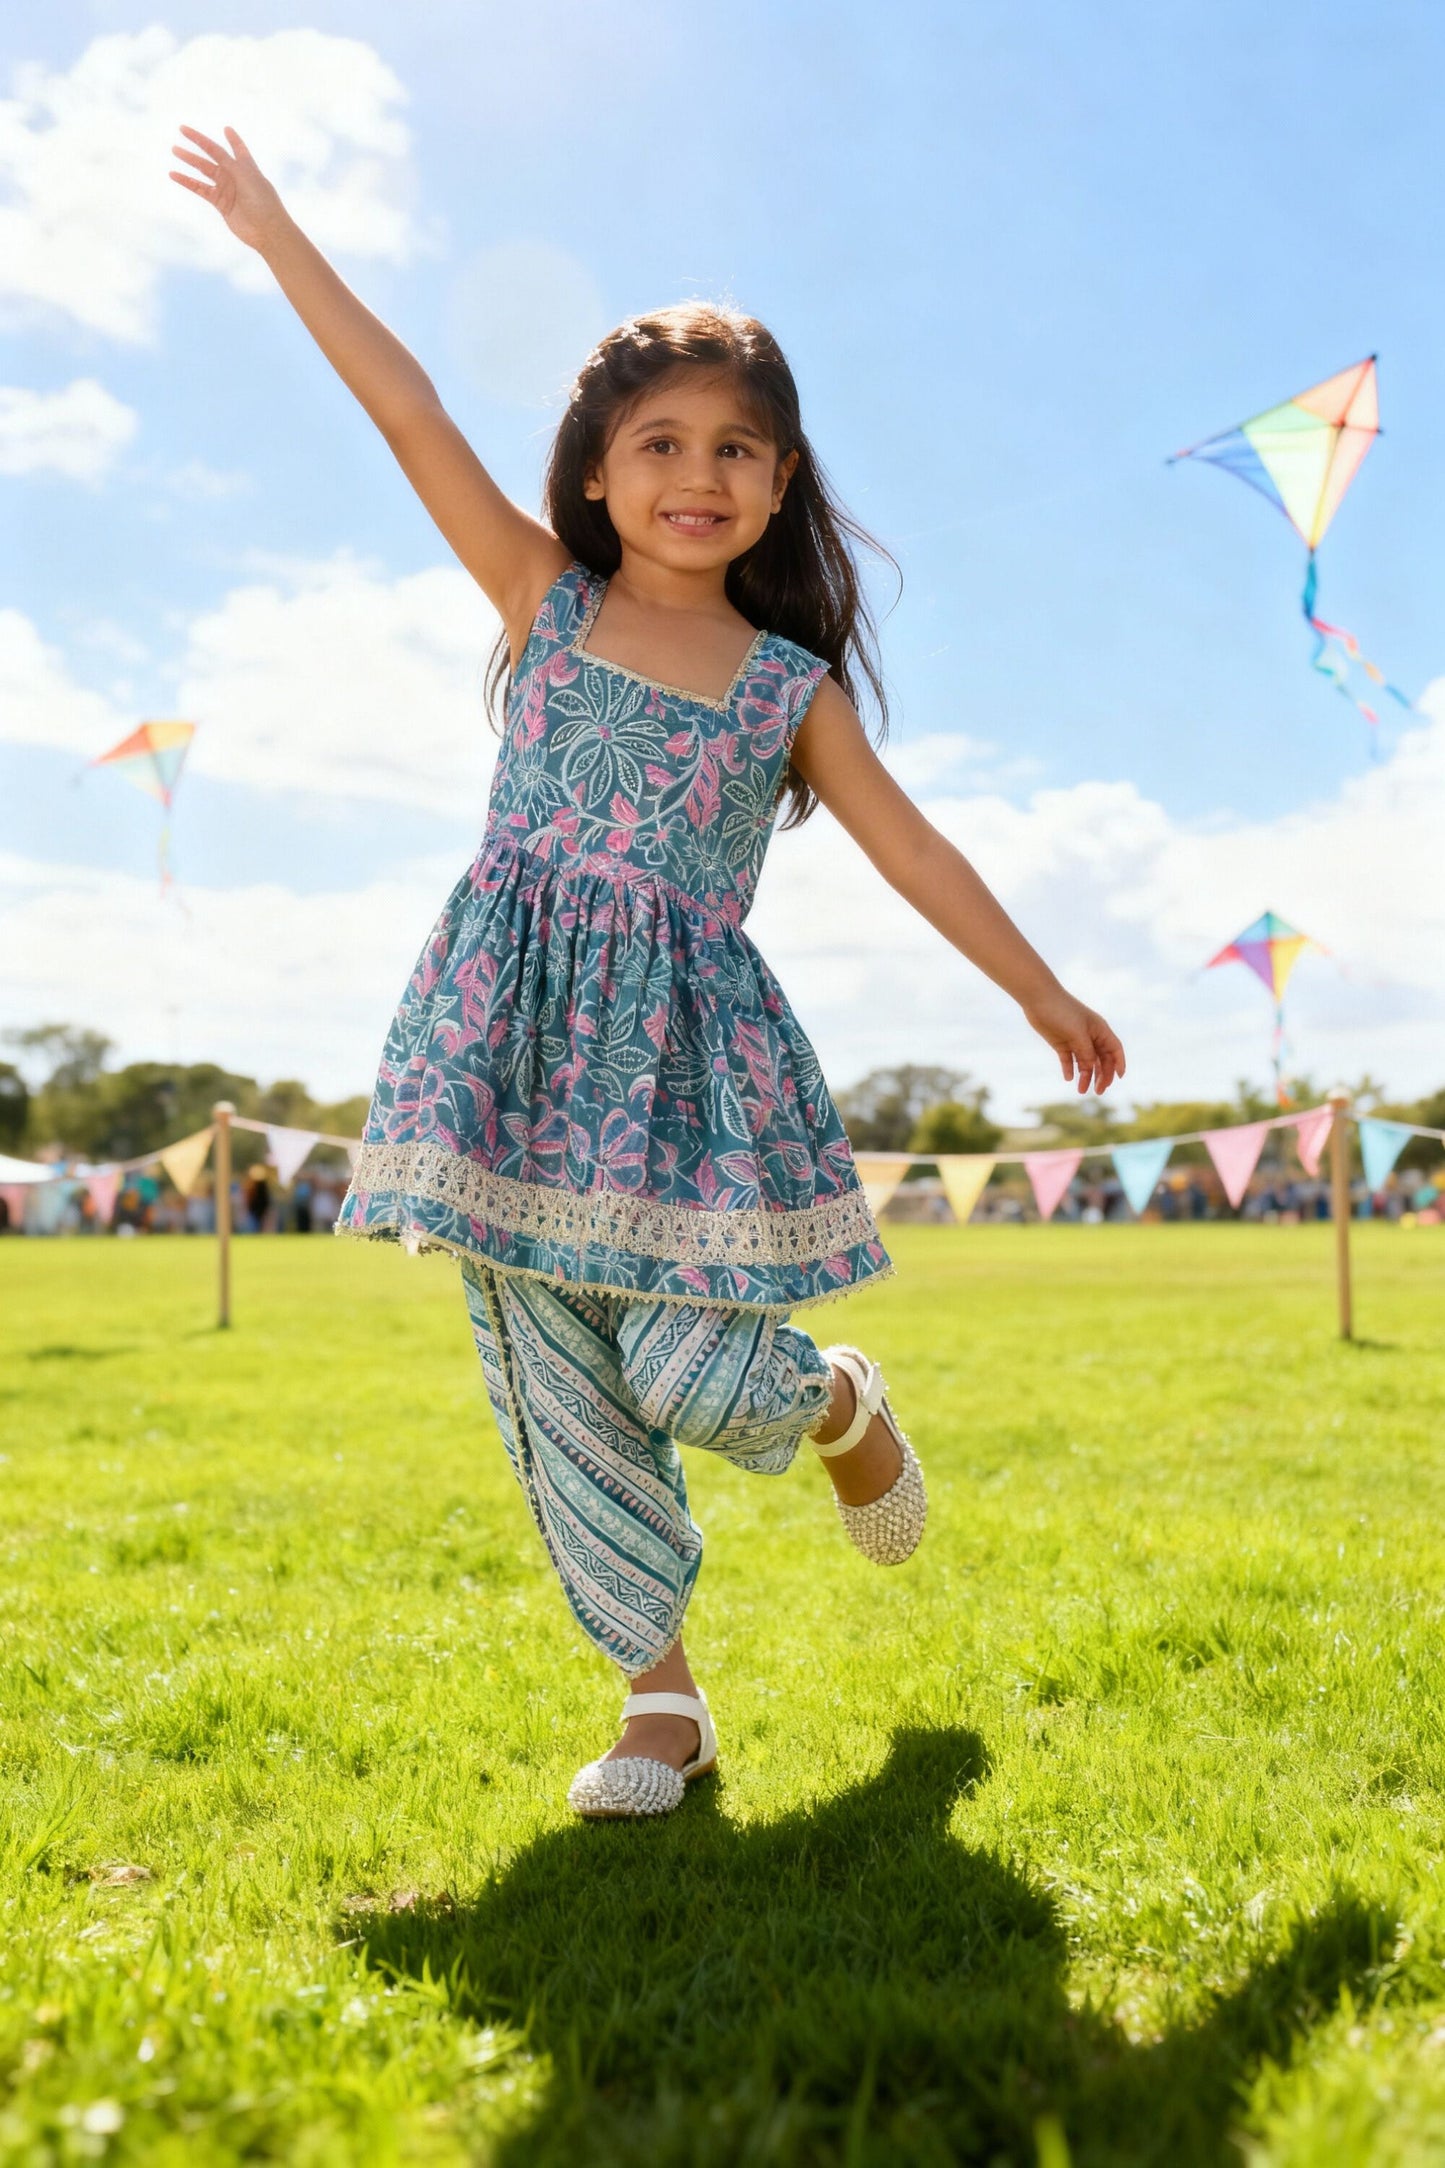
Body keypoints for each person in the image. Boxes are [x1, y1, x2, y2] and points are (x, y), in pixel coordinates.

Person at [170, 124, 1125, 1820]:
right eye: (663, 441)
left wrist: (1037, 988)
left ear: (779, 481)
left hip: (678, 1067)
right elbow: (410, 414)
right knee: (548, 1374)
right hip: (506, 1047)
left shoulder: (784, 686)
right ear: (598, 473)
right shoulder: (543, 602)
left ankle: (831, 1397)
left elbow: (911, 847)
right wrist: (274, 235)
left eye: (742, 447)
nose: (703, 471)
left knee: (689, 1371)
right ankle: (657, 1700)